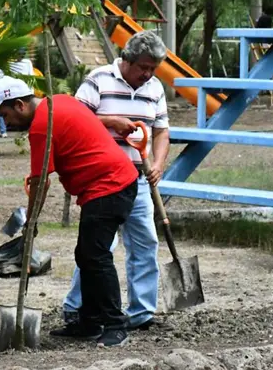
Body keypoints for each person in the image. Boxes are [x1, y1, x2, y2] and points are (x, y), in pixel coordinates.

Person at [0, 76, 139, 348]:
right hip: (114, 181)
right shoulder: (59, 101)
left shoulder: (40, 127)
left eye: (6, 114)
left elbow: (41, 181)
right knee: (86, 254)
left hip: (109, 185)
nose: (6, 122)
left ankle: (115, 325)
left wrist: (31, 221)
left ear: (20, 105)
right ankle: (90, 321)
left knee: (95, 255)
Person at [61, 30, 171, 331]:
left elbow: (161, 130)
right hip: (103, 181)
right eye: (143, 68)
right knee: (99, 249)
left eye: (153, 69)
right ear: (127, 60)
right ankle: (78, 307)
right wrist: (111, 122)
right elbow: (73, 120)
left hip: (139, 180)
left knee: (145, 243)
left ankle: (142, 313)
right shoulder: (98, 80)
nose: (147, 74)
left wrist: (158, 164)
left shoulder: (155, 88)